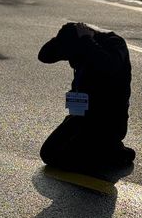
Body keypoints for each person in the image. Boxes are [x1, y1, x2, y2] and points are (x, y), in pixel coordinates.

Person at [37, 22, 135, 171]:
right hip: (81, 117)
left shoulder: (114, 43)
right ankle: (102, 151)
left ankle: (115, 150)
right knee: (48, 154)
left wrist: (87, 41)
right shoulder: (74, 42)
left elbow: (108, 66)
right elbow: (44, 56)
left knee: (66, 158)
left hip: (108, 120)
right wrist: (58, 38)